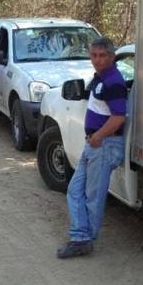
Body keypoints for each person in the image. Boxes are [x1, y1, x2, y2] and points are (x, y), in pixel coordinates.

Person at [57, 37, 127, 259]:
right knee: (75, 190)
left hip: (104, 144)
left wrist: (97, 137)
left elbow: (118, 118)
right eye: (94, 55)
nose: (97, 60)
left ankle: (82, 239)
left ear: (112, 57)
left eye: (102, 55)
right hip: (95, 144)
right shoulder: (100, 78)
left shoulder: (113, 81)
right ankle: (81, 235)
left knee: (92, 196)